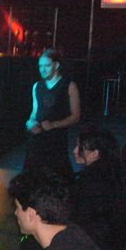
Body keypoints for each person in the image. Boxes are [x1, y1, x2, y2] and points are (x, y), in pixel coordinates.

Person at [23, 48, 81, 182]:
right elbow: (34, 112)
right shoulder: (37, 86)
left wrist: (54, 125)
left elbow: (76, 116)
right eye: (40, 66)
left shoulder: (69, 85)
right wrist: (30, 122)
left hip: (56, 141)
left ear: (56, 65)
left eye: (47, 66)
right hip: (37, 139)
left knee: (57, 178)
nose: (42, 69)